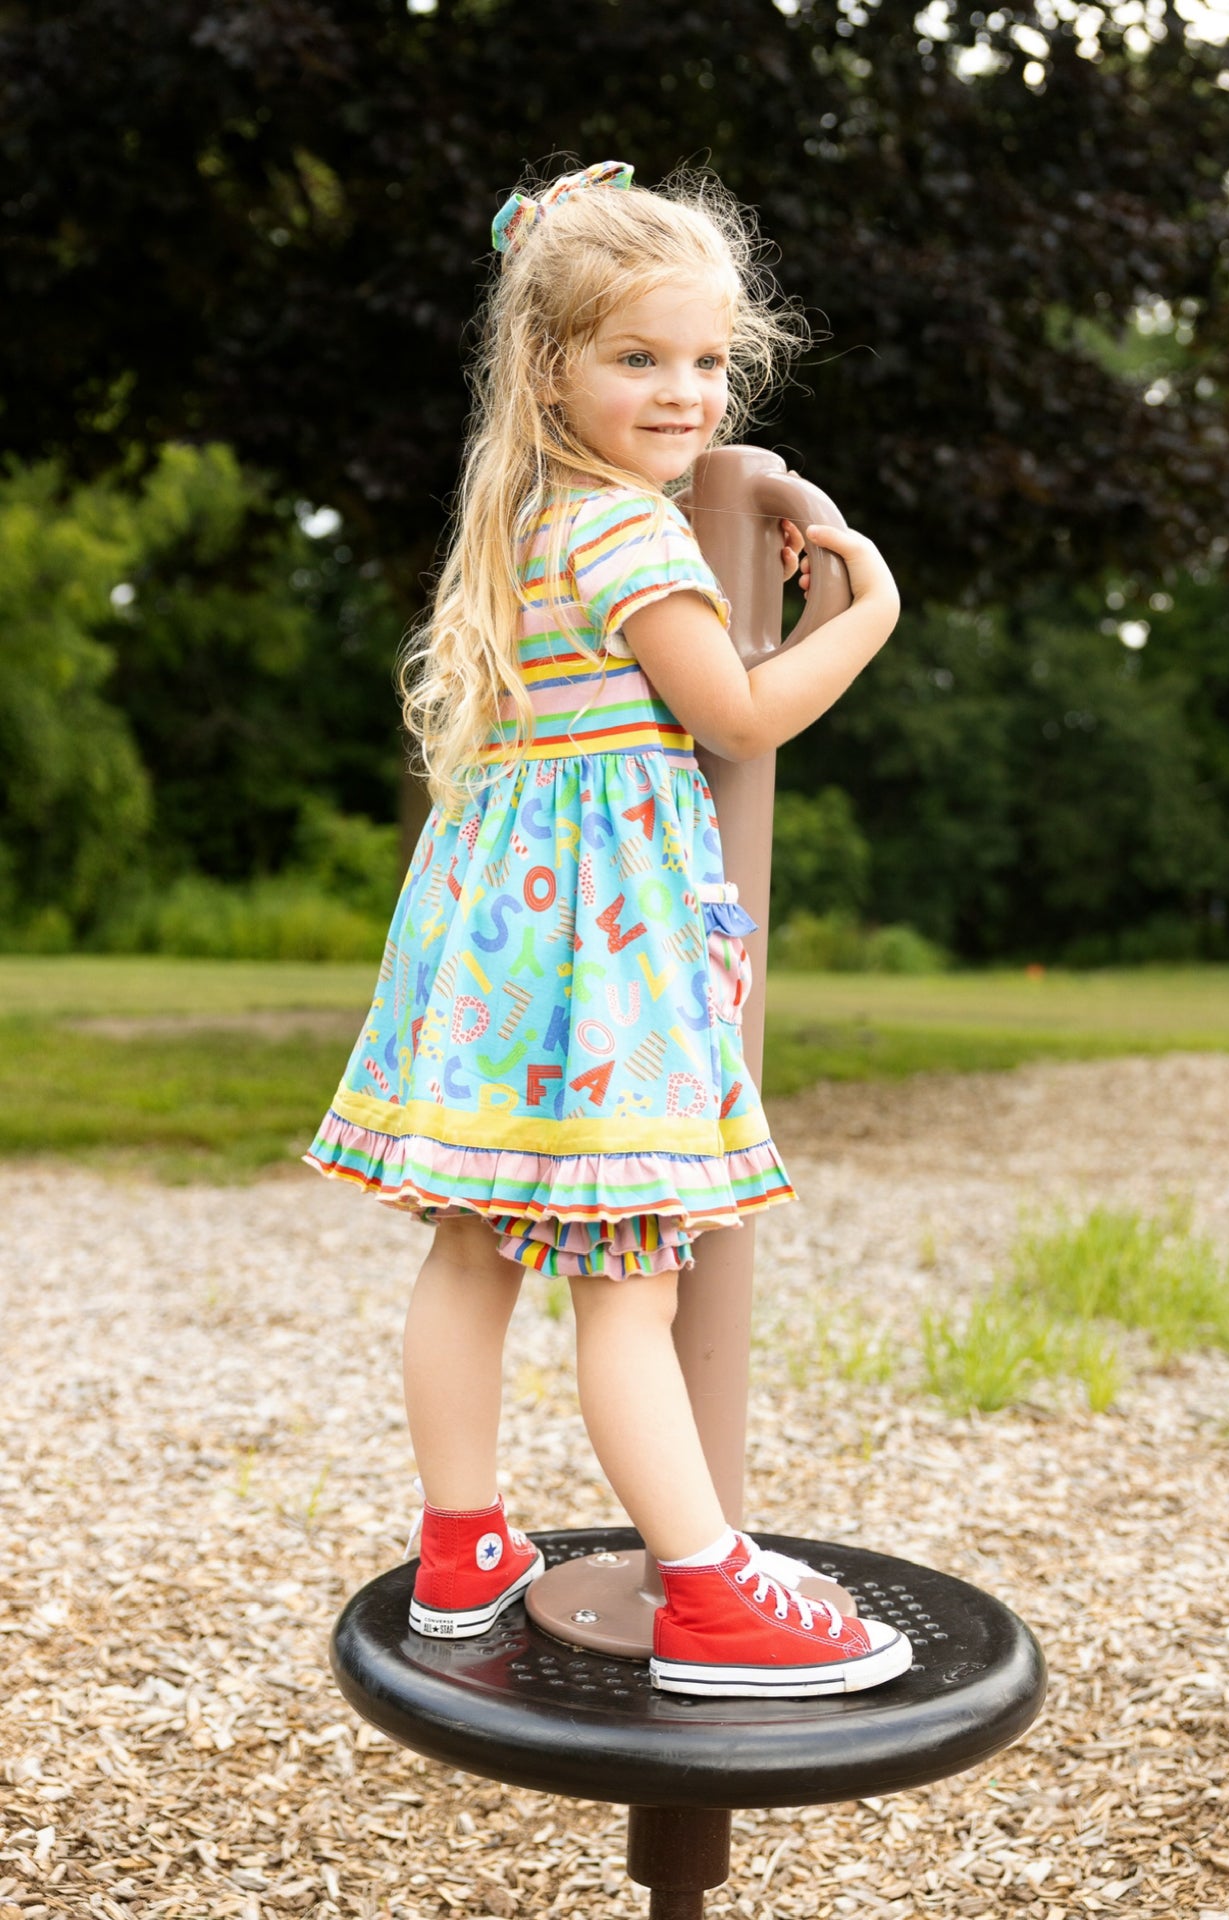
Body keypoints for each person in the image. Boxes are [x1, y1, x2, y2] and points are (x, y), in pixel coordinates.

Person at [306, 161, 907, 1698]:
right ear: (549, 363)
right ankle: (707, 1593)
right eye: (639, 358)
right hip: (605, 957)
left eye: (709, 361)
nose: (685, 393)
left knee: (469, 1256)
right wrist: (869, 613)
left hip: (498, 941)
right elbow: (741, 709)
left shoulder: (522, 518)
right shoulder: (631, 539)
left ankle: (462, 1554)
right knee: (631, 1280)